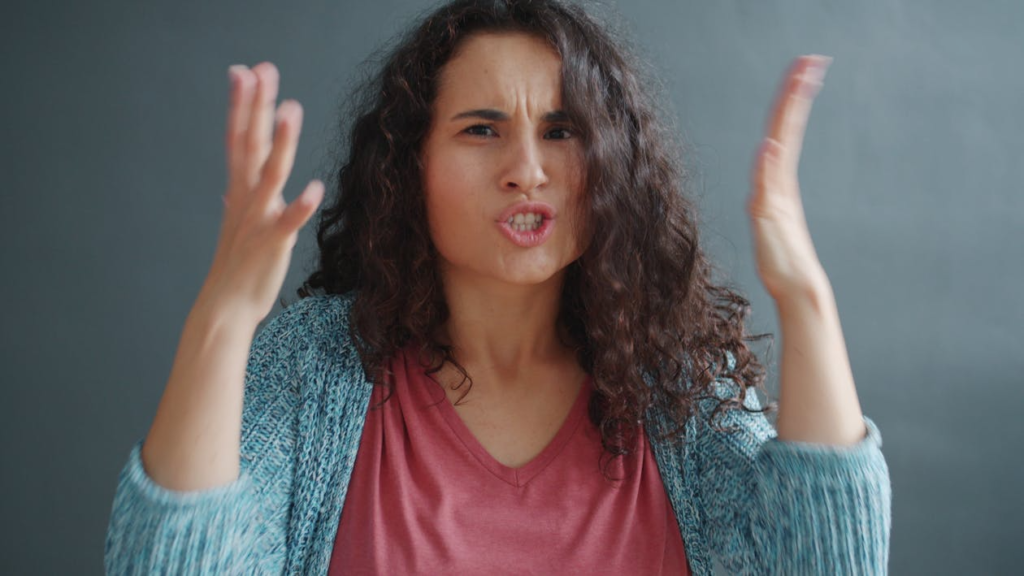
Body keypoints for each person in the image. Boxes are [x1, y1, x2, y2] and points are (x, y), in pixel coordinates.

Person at [104, 0, 892, 574]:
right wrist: (224, 321)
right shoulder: (315, 366)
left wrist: (805, 299)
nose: (528, 169)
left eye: (562, 131)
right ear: (410, 167)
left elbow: (825, 564)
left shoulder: (677, 382)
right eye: (482, 130)